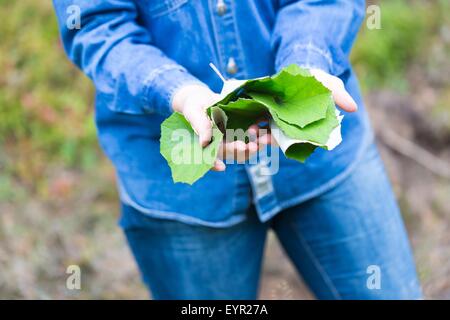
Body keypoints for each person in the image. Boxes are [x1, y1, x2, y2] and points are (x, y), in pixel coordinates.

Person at [53, 0, 422, 299]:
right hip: (179, 186)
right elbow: (96, 24)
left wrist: (304, 67)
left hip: (318, 156)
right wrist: (179, 92)